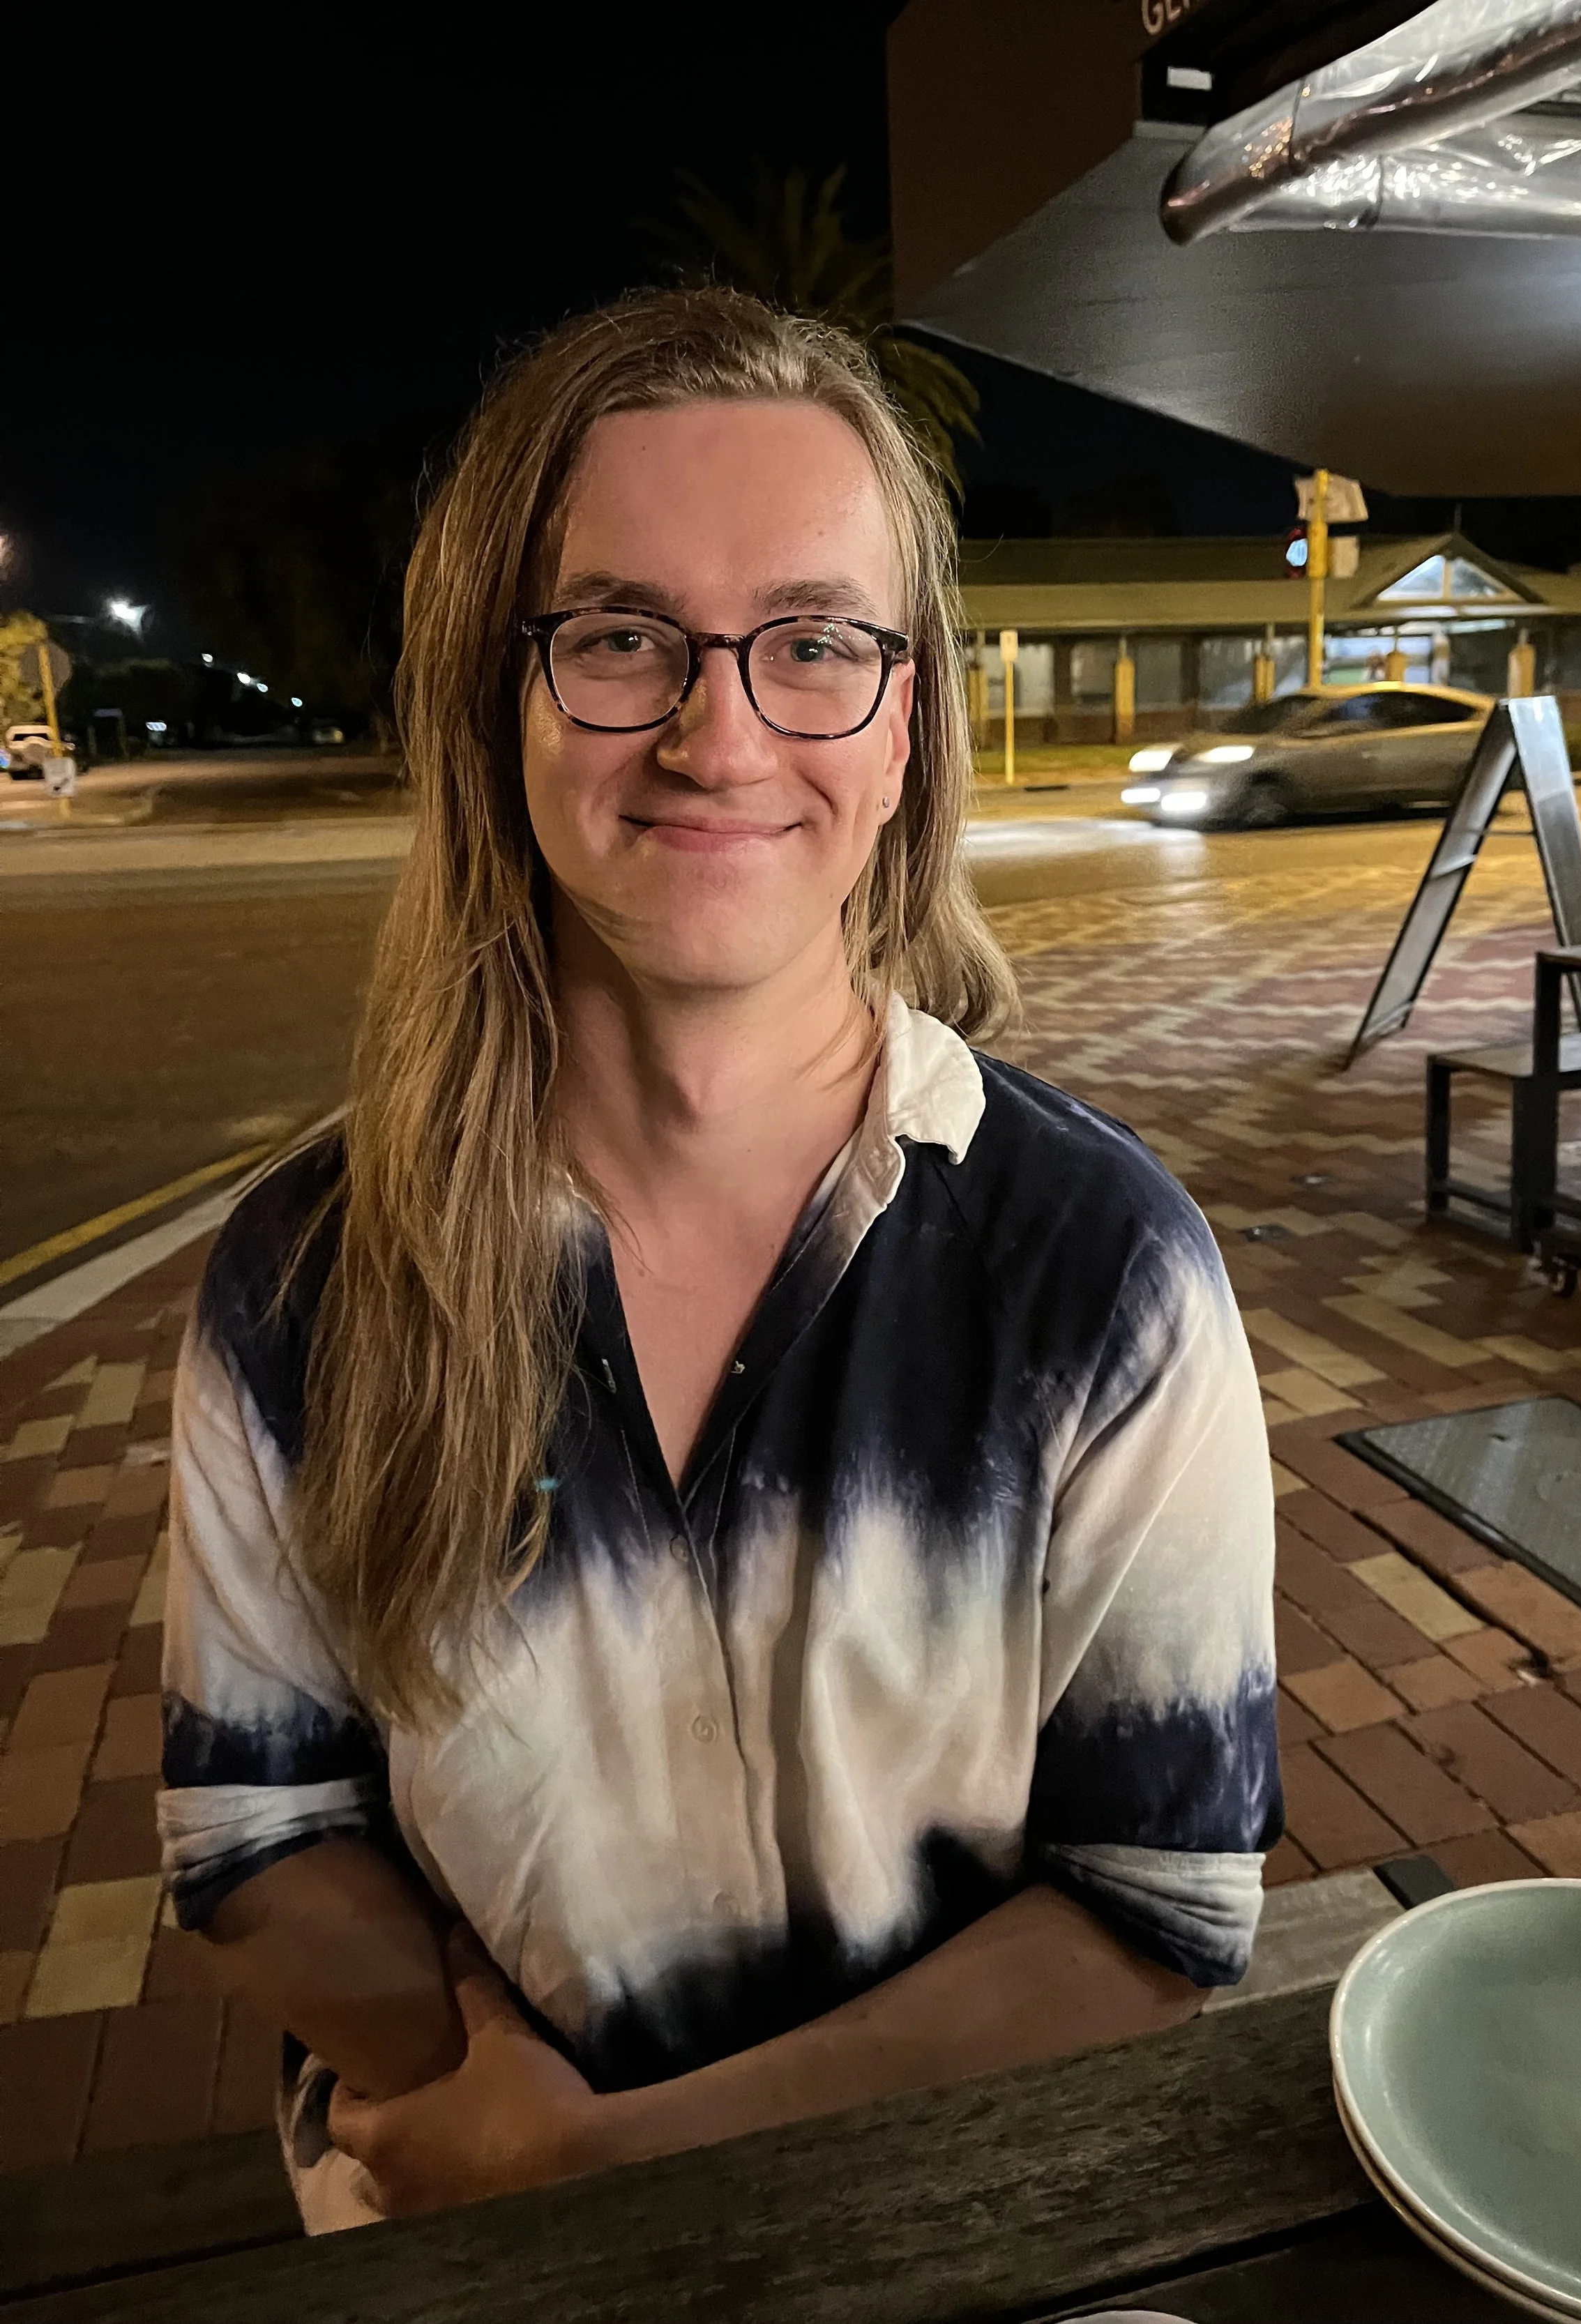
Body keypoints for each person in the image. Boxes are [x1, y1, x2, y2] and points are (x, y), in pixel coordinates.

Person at [158, 289, 1281, 2233]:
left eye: (813, 641)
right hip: (456, 2225)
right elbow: (260, 1832)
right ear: (493, 696)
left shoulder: (1101, 1273)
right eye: (617, 636)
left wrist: (607, 2163)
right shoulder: (301, 1284)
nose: (716, 729)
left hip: (925, 2230)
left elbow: (1153, 1902)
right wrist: (486, 2110)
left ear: (906, 710)